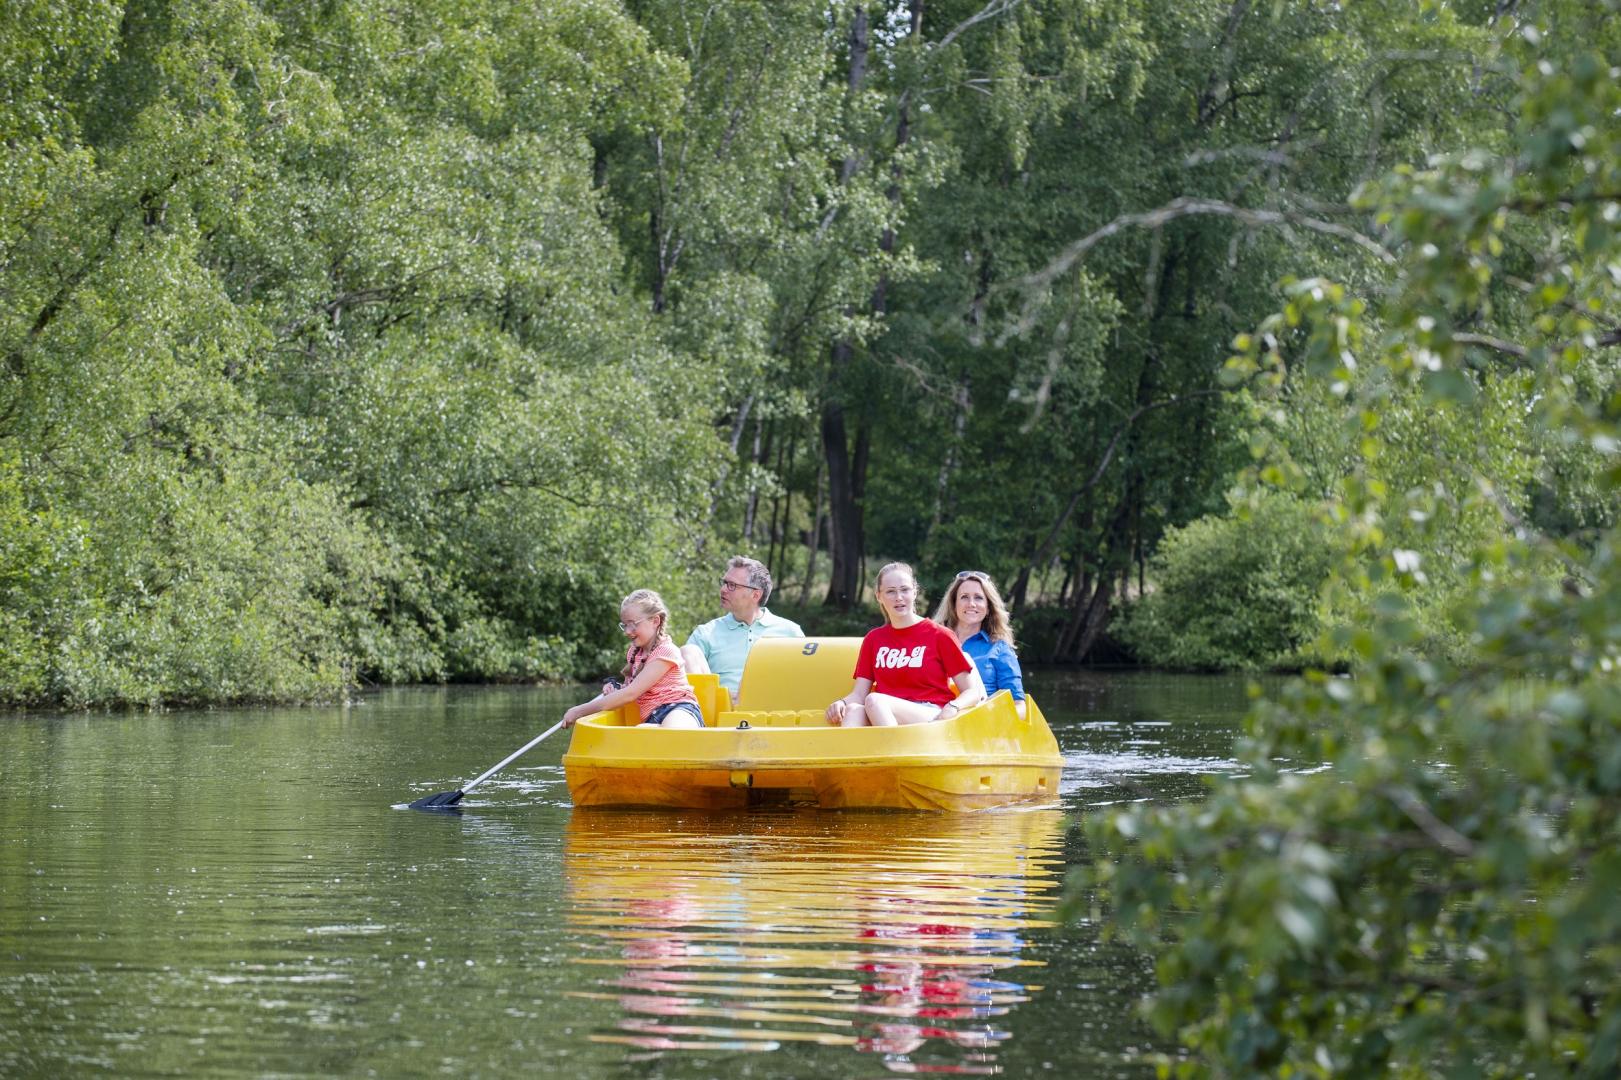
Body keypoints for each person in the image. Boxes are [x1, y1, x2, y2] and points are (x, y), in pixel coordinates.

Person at [826, 562, 985, 727]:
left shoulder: (940, 635)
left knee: (874, 700)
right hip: (882, 713)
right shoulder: (873, 639)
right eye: (891, 592)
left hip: (930, 714)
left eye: (904, 590)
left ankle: (895, 751)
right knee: (853, 710)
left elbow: (971, 691)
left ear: (914, 592)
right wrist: (841, 703)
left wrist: (953, 707)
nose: (899, 597)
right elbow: (859, 694)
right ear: (878, 596)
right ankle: (852, 753)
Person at [563, 589, 703, 729]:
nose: (627, 632)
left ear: (655, 621)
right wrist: (616, 690)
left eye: (633, 624)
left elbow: (630, 694)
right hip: (652, 718)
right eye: (624, 625)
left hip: (680, 710)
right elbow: (628, 689)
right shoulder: (634, 653)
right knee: (642, 731)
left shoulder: (666, 652)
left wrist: (579, 711)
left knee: (670, 732)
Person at [681, 555, 804, 705]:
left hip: (774, 713)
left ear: (755, 594)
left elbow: (806, 680)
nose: (723, 589)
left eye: (732, 585)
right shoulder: (705, 633)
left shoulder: (790, 632)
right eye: (724, 583)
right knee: (688, 651)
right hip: (719, 716)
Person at [934, 570, 1027, 719]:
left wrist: (991, 719)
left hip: (979, 724)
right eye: (964, 597)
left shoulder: (1000, 649)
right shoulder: (933, 641)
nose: (971, 604)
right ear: (954, 604)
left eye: (978, 598)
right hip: (933, 718)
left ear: (988, 607)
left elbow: (1019, 707)